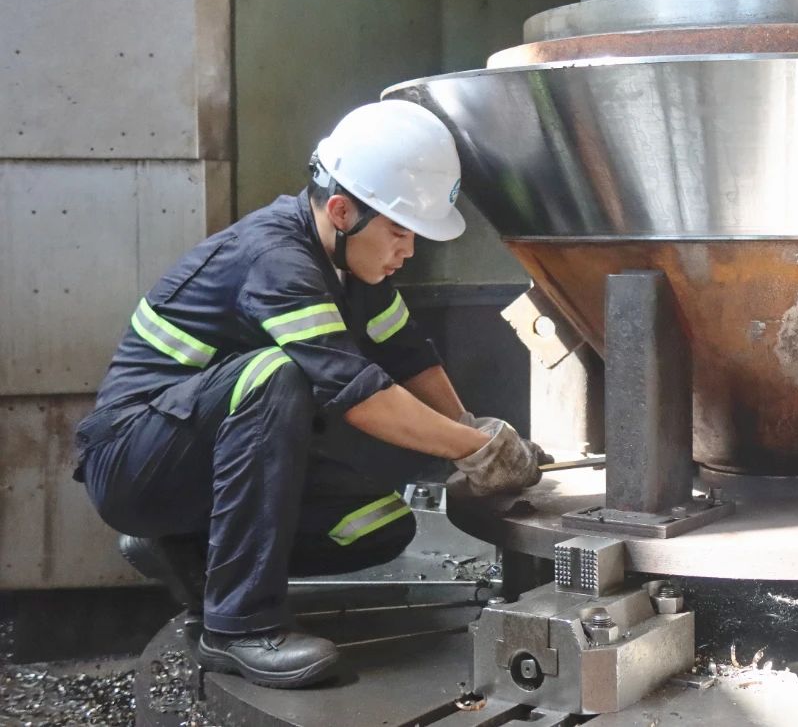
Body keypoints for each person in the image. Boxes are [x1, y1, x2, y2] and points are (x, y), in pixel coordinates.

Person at [72, 100, 545, 689]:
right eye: (400, 231)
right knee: (275, 375)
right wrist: (476, 450)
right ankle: (238, 627)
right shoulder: (275, 258)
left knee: (378, 526)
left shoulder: (351, 263)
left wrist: (473, 428)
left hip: (196, 452)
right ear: (343, 211)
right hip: (133, 461)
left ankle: (188, 552)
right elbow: (357, 393)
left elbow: (407, 355)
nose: (408, 250)